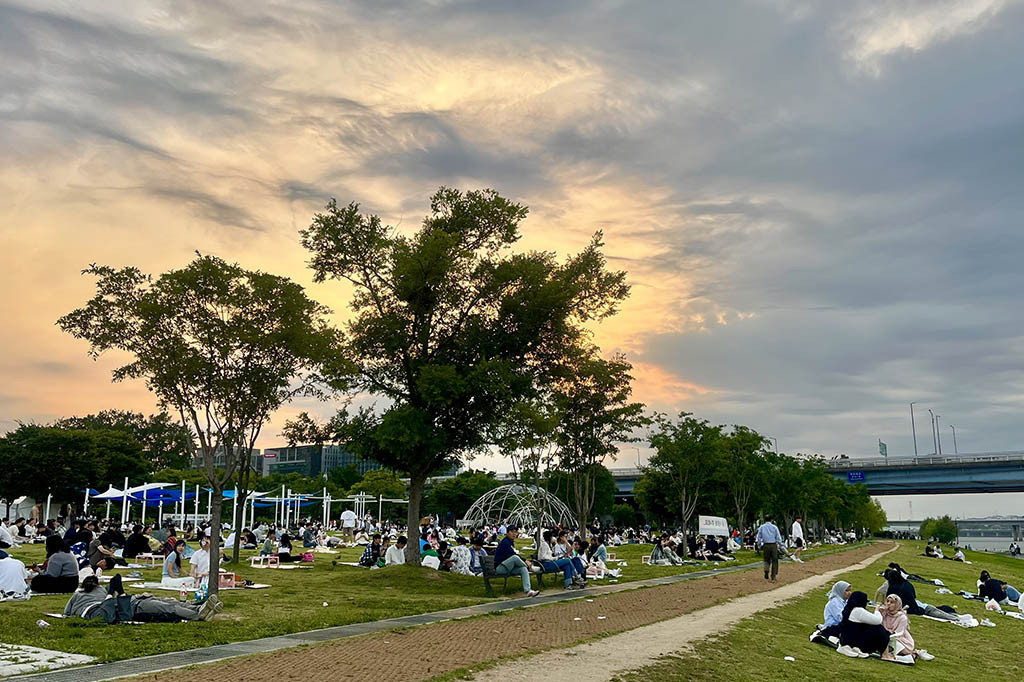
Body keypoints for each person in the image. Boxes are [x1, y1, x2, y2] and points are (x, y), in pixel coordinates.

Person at [64, 574, 222, 623]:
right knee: (168, 606)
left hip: (135, 602)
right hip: (135, 605)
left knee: (169, 603)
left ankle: (200, 608)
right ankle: (198, 613)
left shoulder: (79, 594)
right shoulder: (101, 591)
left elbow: (66, 612)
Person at [836, 591, 904, 661]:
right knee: (878, 629)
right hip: (852, 640)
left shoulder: (849, 608)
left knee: (876, 628)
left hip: (848, 638)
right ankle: (885, 654)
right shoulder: (858, 610)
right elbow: (878, 620)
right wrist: (877, 610)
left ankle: (862, 649)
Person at [879, 594, 935, 661]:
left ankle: (913, 654)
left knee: (897, 647)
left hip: (898, 638)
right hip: (885, 635)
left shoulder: (902, 617)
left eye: (892, 602)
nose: (888, 604)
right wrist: (879, 612)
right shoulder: (884, 613)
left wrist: (886, 635)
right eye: (887, 601)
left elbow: (899, 633)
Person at [493, 526, 539, 597]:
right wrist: (525, 561)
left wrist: (524, 561)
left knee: (523, 569)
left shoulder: (511, 542)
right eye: (512, 532)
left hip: (508, 567)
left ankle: (528, 591)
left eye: (515, 532)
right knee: (515, 557)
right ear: (507, 533)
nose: (514, 534)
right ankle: (530, 567)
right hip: (501, 568)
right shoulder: (505, 542)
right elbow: (512, 555)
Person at [756, 516, 783, 582]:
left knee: (766, 560)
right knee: (774, 560)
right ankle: (773, 576)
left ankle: (766, 571)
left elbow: (759, 537)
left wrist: (759, 545)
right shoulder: (774, 527)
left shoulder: (761, 527)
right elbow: (778, 537)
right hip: (773, 545)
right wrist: (781, 545)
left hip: (765, 545)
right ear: (771, 520)